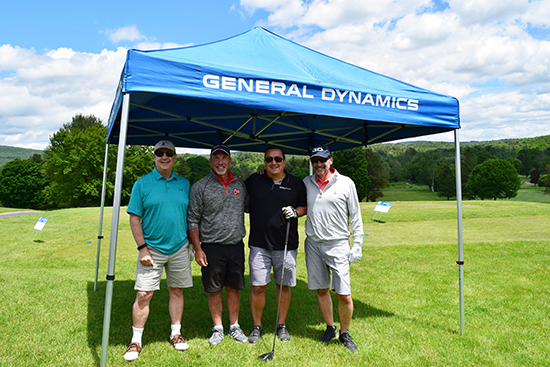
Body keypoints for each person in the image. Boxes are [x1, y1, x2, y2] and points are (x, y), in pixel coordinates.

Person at [123, 140, 193, 362]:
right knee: (144, 294)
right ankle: (136, 340)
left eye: (169, 154)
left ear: (175, 157)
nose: (164, 157)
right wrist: (142, 248)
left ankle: (176, 333)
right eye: (160, 153)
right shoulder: (142, 184)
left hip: (180, 246)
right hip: (151, 249)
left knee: (177, 291)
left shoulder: (184, 183)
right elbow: (135, 218)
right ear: (154, 157)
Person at [302, 145, 364, 351]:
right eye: (315, 161)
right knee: (321, 289)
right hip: (313, 244)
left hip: (338, 244)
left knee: (344, 293)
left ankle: (345, 333)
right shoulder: (306, 183)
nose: (318, 164)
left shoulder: (346, 183)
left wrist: (358, 244)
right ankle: (330, 327)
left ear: (331, 160)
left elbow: (355, 216)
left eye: (322, 160)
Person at [187, 144, 249, 345]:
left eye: (224, 158)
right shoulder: (200, 186)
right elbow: (193, 220)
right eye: (216, 158)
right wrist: (198, 249)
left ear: (230, 161)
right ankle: (217, 328)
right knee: (214, 289)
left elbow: (250, 206)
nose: (220, 162)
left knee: (233, 287)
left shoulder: (239, 184)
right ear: (211, 161)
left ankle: (234, 326)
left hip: (236, 245)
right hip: (211, 247)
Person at [245, 146, 307, 344]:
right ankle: (257, 326)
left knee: (283, 286)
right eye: (269, 159)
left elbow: (304, 206)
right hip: (259, 244)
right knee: (258, 286)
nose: (274, 163)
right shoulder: (254, 180)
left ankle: (281, 325)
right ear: (264, 162)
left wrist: (296, 212)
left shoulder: (296, 183)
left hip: (286, 244)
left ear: (284, 161)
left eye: (278, 159)